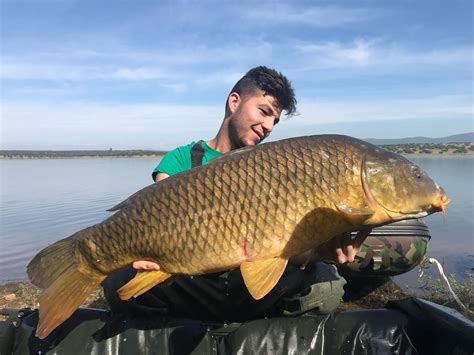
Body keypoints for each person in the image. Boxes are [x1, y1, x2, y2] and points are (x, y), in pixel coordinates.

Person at [102, 66, 369, 320]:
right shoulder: (181, 159)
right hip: (195, 280)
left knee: (328, 287)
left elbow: (276, 249)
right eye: (263, 111)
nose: (268, 126)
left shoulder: (272, 165)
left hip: (244, 283)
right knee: (119, 283)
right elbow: (155, 213)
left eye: (274, 121)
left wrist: (317, 252)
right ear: (234, 102)